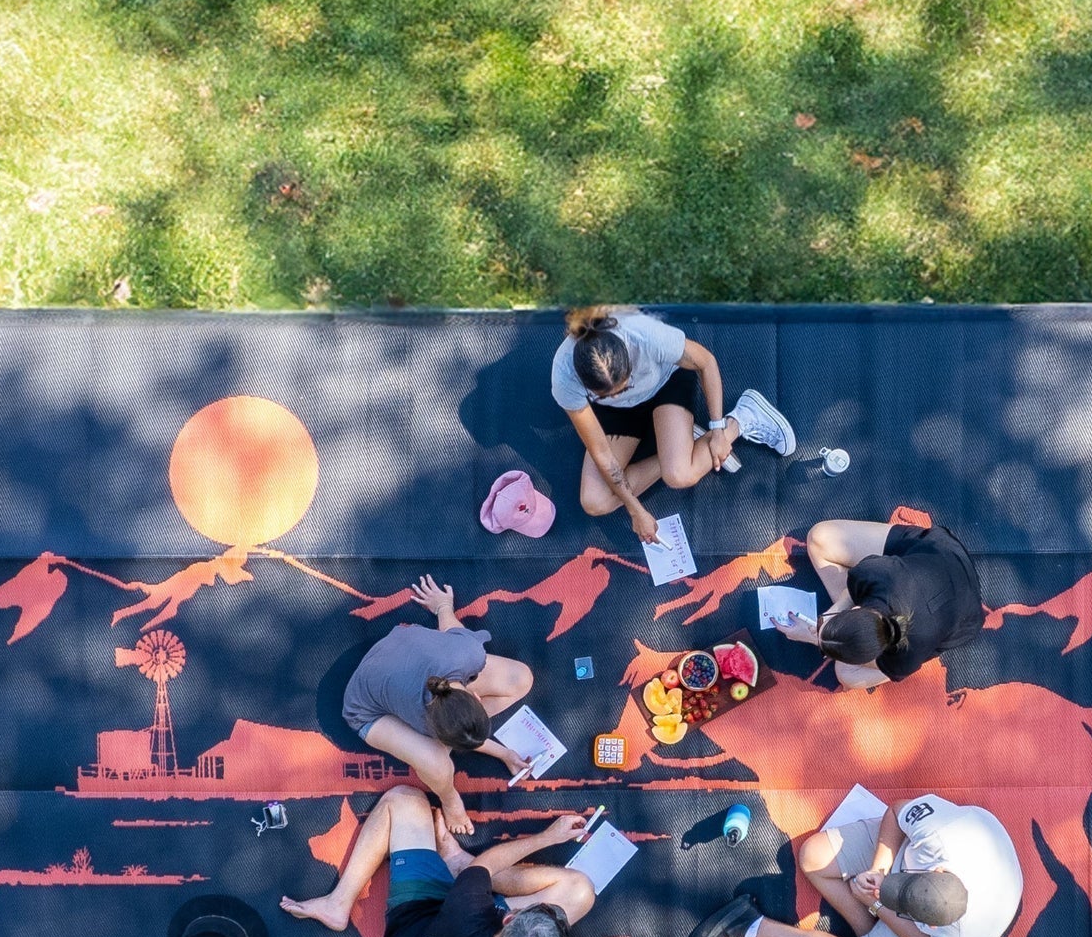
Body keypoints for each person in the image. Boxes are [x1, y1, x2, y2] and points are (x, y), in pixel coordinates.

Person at [281, 786, 643, 937]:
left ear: (505, 918)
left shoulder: (467, 913)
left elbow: (487, 865)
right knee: (581, 891)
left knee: (404, 799)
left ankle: (340, 902)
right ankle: (454, 862)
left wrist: (545, 838)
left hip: (414, 928)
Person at [679, 793, 1023, 937]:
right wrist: (881, 869)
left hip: (936, 923)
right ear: (938, 867)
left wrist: (877, 905)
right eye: (900, 883)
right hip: (917, 848)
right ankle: (867, 934)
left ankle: (747, 924)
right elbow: (897, 813)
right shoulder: (941, 835)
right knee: (813, 856)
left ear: (932, 923)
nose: (888, 885)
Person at [553, 306, 797, 542]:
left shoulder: (645, 335)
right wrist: (635, 510)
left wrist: (718, 429)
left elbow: (706, 362)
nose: (617, 395)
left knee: (680, 475)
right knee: (595, 502)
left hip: (665, 385)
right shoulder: (564, 376)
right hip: (619, 414)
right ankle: (684, 446)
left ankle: (743, 418)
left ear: (629, 356)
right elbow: (601, 452)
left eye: (624, 386)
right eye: (606, 394)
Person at [342, 574, 534, 837]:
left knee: (520, 678)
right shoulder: (419, 716)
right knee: (438, 764)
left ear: (474, 696)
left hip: (402, 655)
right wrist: (501, 753)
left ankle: (458, 732)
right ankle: (449, 798)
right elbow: (437, 742)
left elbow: (453, 632)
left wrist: (443, 606)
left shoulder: (469, 654)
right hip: (367, 710)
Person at [779, 519, 984, 689]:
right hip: (940, 552)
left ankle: (848, 640)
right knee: (819, 537)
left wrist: (815, 639)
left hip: (965, 614)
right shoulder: (878, 575)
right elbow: (848, 593)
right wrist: (830, 618)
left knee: (845, 674)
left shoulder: (907, 656)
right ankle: (849, 638)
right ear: (858, 608)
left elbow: (851, 595)